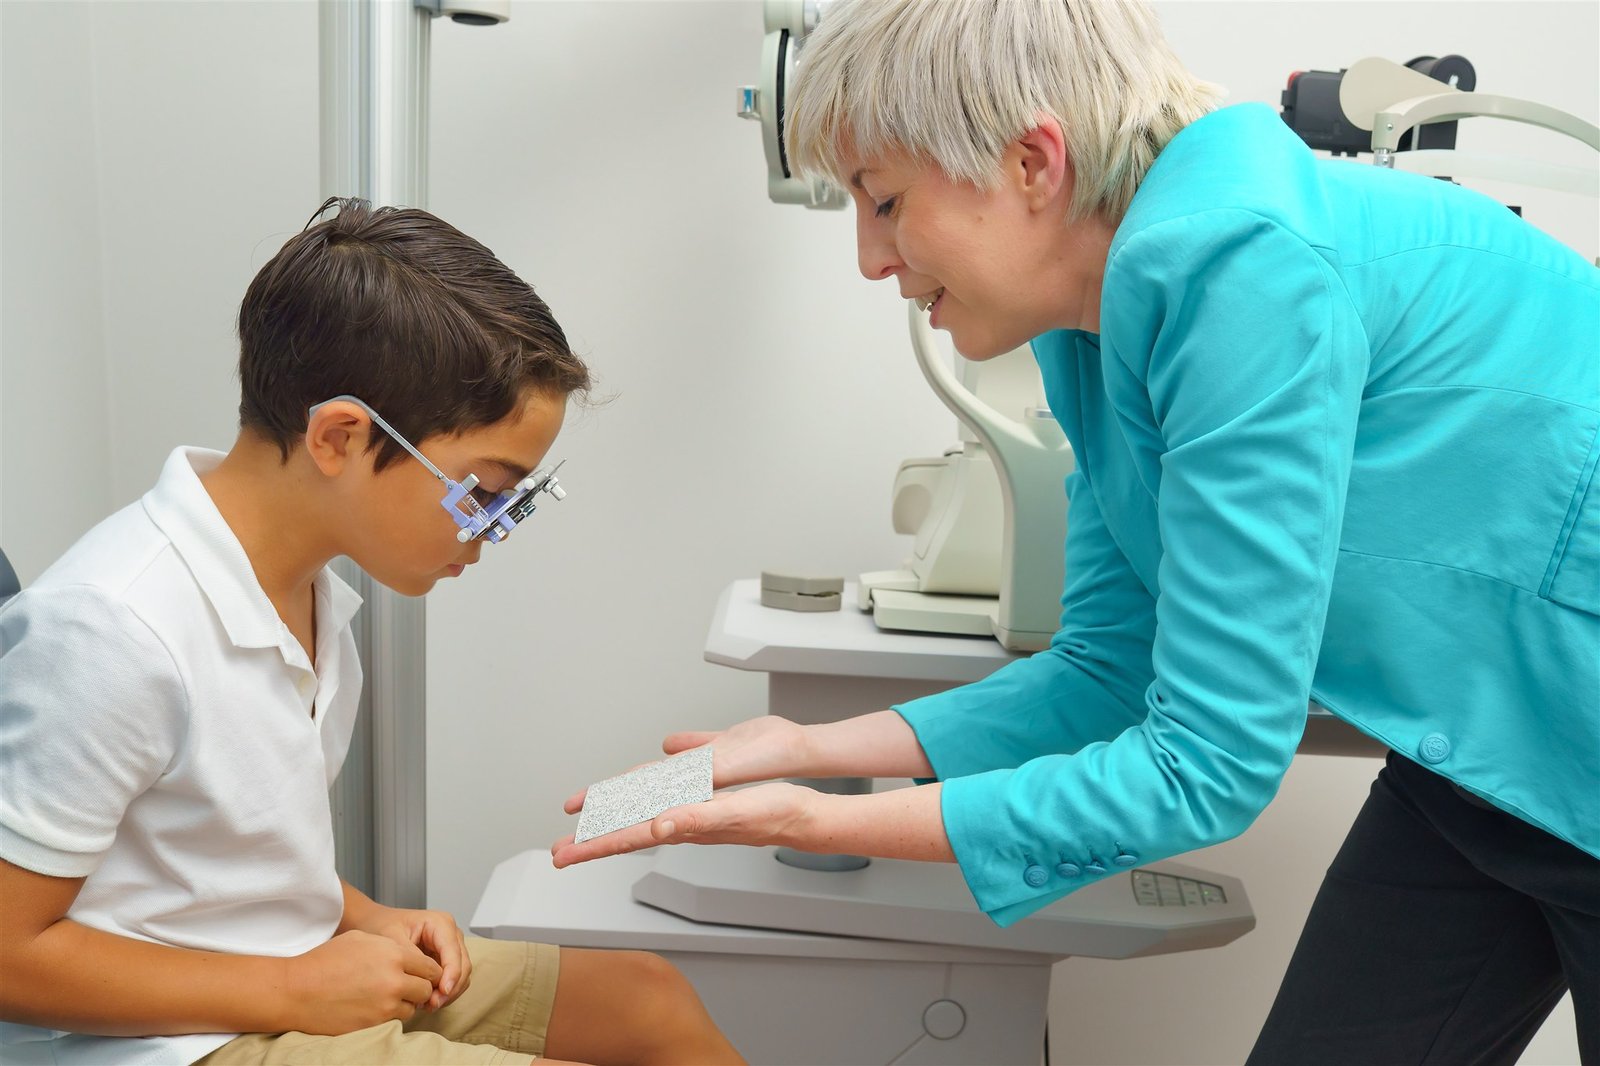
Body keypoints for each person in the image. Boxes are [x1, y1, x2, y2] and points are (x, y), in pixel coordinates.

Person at [550, 1, 1600, 1062]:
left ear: (1031, 162)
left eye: (882, 202)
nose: (871, 259)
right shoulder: (1091, 329)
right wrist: (805, 752)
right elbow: (1109, 664)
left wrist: (810, 819)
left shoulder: (1241, 268)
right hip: (1497, 761)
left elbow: (1208, 764)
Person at [0, 198, 743, 1066]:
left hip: (281, 979)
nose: (492, 530)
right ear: (339, 437)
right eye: (484, 492)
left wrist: (370, 920)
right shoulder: (112, 629)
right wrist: (289, 991)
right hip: (162, 1044)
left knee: (646, 1000)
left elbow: (223, 867)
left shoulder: (308, 597)